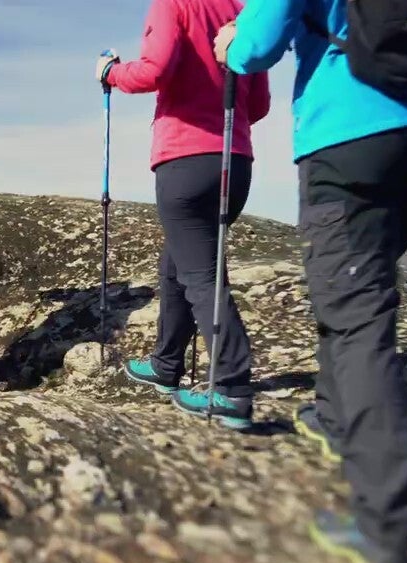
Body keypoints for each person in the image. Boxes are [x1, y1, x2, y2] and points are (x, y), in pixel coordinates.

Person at [216, 1, 407, 563]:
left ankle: (385, 526)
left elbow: (257, 46)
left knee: (357, 313)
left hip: (350, 131)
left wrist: (227, 43)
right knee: (362, 283)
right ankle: (333, 417)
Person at [97, 0, 271, 430]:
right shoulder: (244, 12)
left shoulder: (174, 4)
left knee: (201, 275)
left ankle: (231, 386)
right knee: (179, 263)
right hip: (236, 157)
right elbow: (260, 103)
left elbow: (152, 72)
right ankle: (166, 364)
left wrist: (110, 73)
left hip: (184, 158)